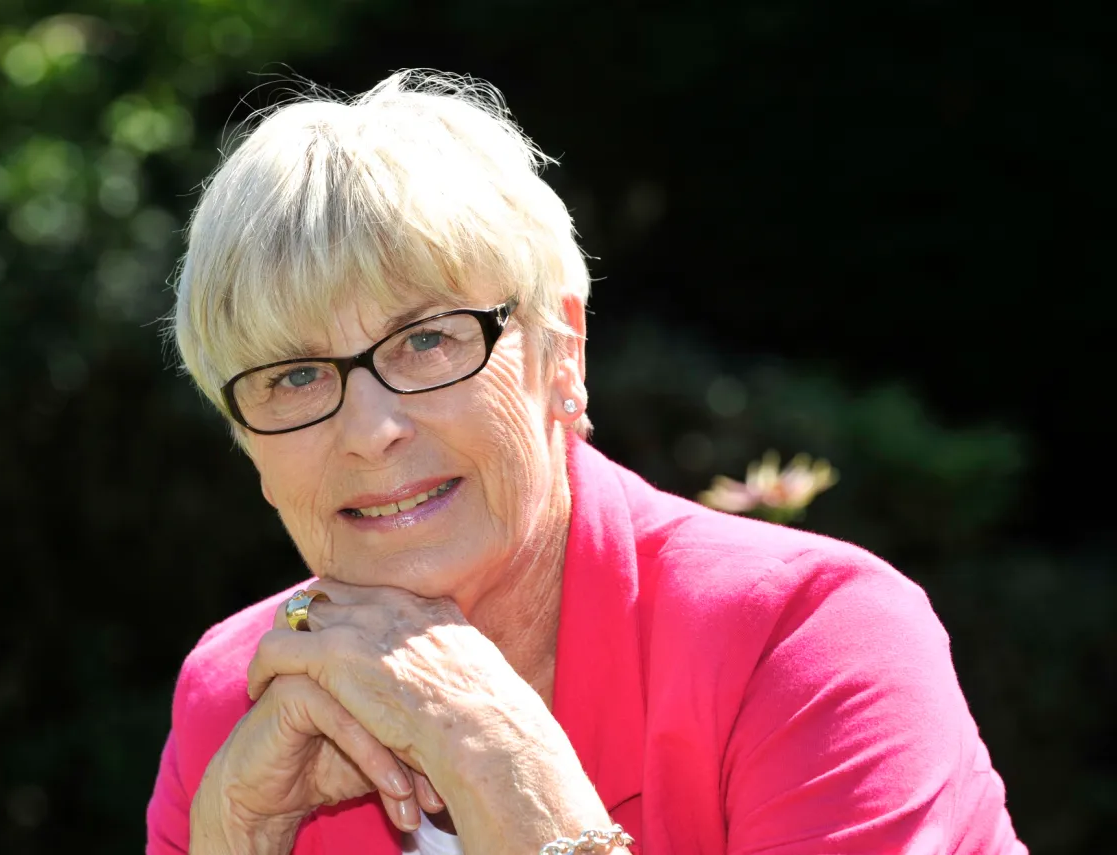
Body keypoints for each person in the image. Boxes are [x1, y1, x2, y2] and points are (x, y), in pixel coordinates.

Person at [147, 70, 1027, 855]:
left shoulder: (806, 643)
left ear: (561, 348)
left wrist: (499, 759)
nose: (370, 428)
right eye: (294, 376)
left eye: (425, 339)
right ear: (248, 442)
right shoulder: (234, 703)